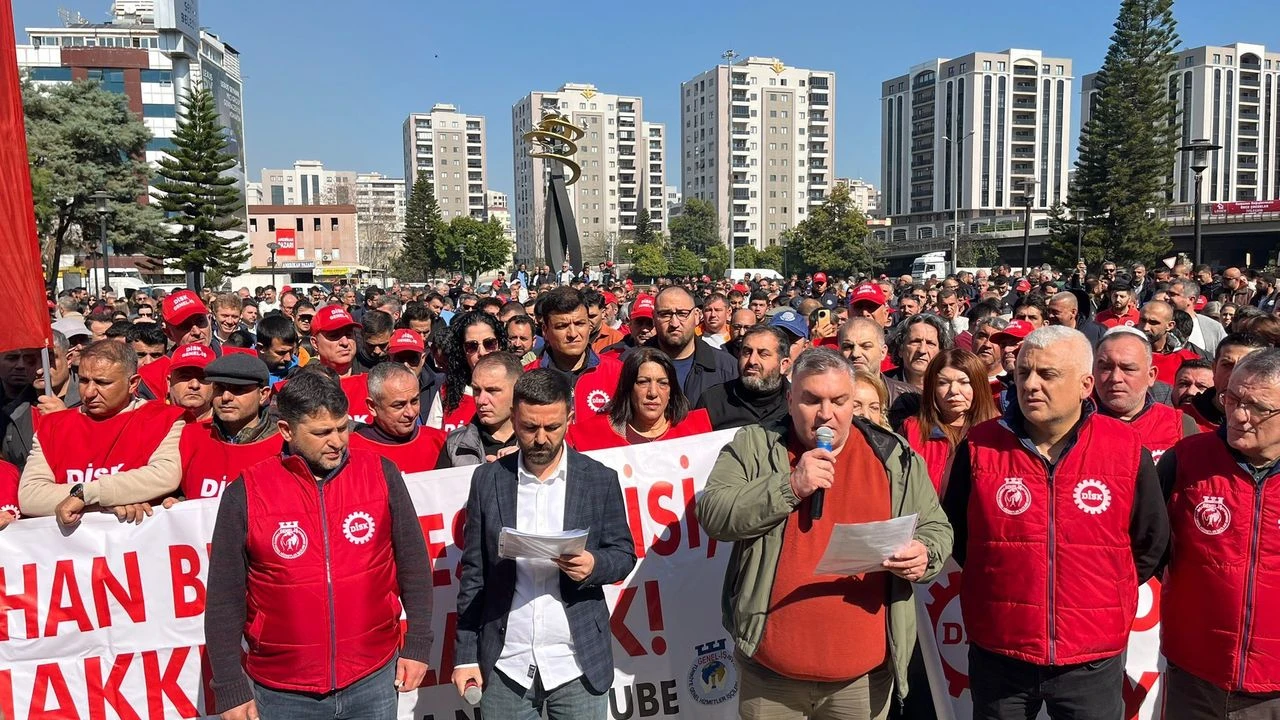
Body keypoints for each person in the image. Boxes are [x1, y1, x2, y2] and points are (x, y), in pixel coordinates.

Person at [698, 348, 952, 719]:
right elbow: (714, 514)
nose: (825, 414)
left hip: (861, 681)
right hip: (772, 676)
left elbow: (936, 527)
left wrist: (924, 554)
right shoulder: (755, 445)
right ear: (789, 399)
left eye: (839, 401)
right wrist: (791, 486)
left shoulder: (892, 455)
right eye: (812, 399)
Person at [941, 326, 1168, 720]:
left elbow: (1150, 542)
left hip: (1091, 656)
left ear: (1084, 384)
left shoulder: (1127, 449)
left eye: (1047, 375)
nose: (1030, 385)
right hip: (1001, 650)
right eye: (1024, 372)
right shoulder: (979, 446)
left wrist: (1100, 592)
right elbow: (958, 535)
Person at [204, 367, 434, 720]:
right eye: (322, 432)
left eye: (343, 428)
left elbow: (413, 564)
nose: (338, 441)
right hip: (283, 690)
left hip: (372, 676)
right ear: (287, 431)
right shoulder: (246, 492)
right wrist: (229, 686)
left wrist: (418, 644)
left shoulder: (380, 473)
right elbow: (224, 597)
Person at [452, 369, 637, 719]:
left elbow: (624, 554)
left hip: (576, 664)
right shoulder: (488, 480)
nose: (540, 438)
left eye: (551, 428)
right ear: (514, 418)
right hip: (506, 664)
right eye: (528, 427)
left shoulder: (599, 479)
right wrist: (465, 655)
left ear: (569, 418)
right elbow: (474, 574)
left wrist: (594, 565)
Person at [1157, 349, 1280, 719]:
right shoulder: (1186, 460)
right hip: (1196, 673)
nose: (1240, 416)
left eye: (1258, 408)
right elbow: (1145, 548)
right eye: (1232, 400)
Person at [18, 340, 186, 524]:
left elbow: (164, 475)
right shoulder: (52, 425)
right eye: (83, 380)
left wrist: (86, 494)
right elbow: (30, 496)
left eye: (102, 382)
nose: (89, 392)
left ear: (133, 383)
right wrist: (104, 504)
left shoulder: (164, 419)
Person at [177, 353, 281, 500]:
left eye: (238, 389)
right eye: (219, 388)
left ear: (263, 395)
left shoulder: (283, 445)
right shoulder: (191, 436)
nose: (226, 397)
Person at [567, 347, 712, 451]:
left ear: (671, 391)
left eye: (663, 383)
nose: (653, 393)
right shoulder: (593, 436)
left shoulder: (696, 432)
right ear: (629, 388)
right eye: (643, 382)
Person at [899, 349, 999, 495]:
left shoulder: (998, 432)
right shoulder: (911, 430)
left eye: (964, 382)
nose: (953, 390)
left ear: (978, 386)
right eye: (943, 383)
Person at [1093, 328, 1198, 464]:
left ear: (1151, 375)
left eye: (1128, 369)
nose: (1115, 378)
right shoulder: (1072, 426)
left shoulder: (1181, 426)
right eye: (1106, 367)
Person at [526, 286, 624, 418]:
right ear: (545, 330)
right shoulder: (526, 376)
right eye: (562, 326)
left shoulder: (617, 373)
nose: (573, 334)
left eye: (579, 324)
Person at [349, 363, 447, 474]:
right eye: (399, 405)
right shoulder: (350, 450)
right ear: (372, 407)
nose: (410, 413)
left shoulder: (441, 442)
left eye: (414, 401)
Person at [648, 286, 738, 406]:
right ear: (654, 318)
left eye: (682, 314)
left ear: (696, 316)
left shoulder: (728, 368)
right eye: (665, 314)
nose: (674, 323)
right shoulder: (630, 364)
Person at [696, 325, 792, 430]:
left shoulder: (798, 402)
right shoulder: (711, 401)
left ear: (784, 365)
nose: (752, 361)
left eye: (763, 354)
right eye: (747, 352)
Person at [436, 352, 520, 468]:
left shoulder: (538, 442)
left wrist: (524, 463)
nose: (481, 400)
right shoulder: (455, 444)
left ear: (517, 391)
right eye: (476, 390)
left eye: (492, 391)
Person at [429, 311, 505, 431]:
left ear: (499, 345)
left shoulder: (517, 392)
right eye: (472, 346)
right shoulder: (446, 392)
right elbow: (433, 441)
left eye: (489, 343)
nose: (482, 352)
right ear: (462, 351)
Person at [1185, 333, 1269, 432]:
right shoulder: (1182, 419)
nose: (1233, 375)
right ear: (1214, 369)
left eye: (1247, 368)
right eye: (1227, 365)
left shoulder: (1273, 423)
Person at [311, 304, 376, 424]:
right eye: (334, 336)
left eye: (349, 334)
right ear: (315, 343)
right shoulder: (302, 384)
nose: (345, 342)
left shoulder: (374, 379)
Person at [1137, 299, 1206, 385]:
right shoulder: (1123, 353)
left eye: (1153, 323)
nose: (1145, 328)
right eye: (1142, 320)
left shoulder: (1188, 360)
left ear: (1170, 326)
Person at [888, 314, 952, 392]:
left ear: (941, 352)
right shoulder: (883, 386)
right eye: (915, 342)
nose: (922, 350)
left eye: (930, 343)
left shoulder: (950, 387)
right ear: (900, 349)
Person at [1170, 278, 1227, 357]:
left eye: (1173, 294)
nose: (1167, 297)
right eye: (1168, 294)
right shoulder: (1159, 323)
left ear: (1191, 299)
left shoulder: (1213, 327)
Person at [166, 343, 216, 423]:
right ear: (169, 383)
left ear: (215, 385)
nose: (194, 385)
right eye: (185, 376)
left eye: (203, 377)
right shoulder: (150, 421)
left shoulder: (228, 427)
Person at [255, 314, 299, 386]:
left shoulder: (298, 376)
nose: (288, 358)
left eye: (291, 352)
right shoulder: (244, 374)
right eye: (281, 352)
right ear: (261, 348)